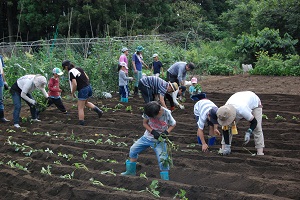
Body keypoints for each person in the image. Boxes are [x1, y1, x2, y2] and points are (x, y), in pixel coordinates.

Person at [121, 101, 176, 180]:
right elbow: (145, 123)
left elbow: (173, 124)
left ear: (160, 111)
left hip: (159, 141)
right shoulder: (149, 111)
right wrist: (152, 131)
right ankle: (130, 172)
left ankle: (165, 179)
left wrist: (166, 132)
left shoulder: (166, 113)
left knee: (163, 159)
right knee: (133, 149)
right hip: (147, 138)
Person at [217, 91, 265, 155]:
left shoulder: (242, 110)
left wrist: (249, 132)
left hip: (254, 103)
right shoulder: (224, 110)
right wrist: (227, 146)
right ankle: (224, 149)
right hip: (239, 98)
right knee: (228, 126)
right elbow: (225, 128)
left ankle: (260, 152)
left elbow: (254, 122)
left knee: (257, 128)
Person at [62, 60, 103, 126]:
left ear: (66, 67)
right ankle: (99, 111)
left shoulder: (71, 72)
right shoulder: (78, 69)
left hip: (83, 89)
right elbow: (87, 77)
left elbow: (74, 84)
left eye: (64, 68)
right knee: (86, 103)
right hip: (89, 87)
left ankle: (81, 124)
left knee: (80, 107)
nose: (65, 69)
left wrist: (72, 92)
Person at [0, 55, 9, 122]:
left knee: (0, 99)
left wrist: (5, 81)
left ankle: (1, 117)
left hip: (0, 80)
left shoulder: (0, 57)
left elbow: (2, 71)